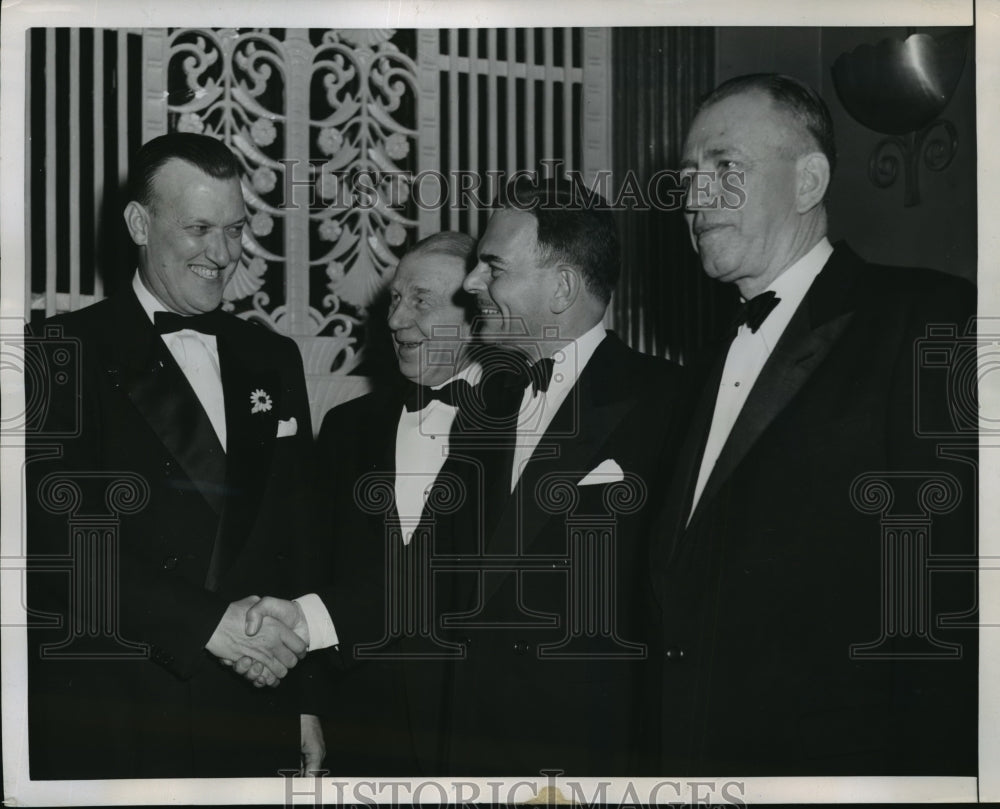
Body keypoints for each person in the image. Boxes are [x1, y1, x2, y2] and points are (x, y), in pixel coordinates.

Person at [649, 73, 977, 775]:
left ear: (808, 182)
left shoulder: (926, 317)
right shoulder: (703, 364)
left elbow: (947, 601)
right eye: (686, 178)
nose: (695, 198)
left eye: (725, 168)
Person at [25, 132, 323, 778]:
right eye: (199, 228)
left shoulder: (273, 357)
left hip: (256, 707)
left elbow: (296, 539)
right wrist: (204, 622)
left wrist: (305, 702)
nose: (223, 254)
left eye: (236, 229)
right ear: (139, 223)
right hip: (122, 713)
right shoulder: (59, 350)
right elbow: (53, 541)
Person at [445, 178, 684, 775]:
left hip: (591, 761)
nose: (470, 284)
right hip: (473, 754)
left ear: (562, 287)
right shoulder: (482, 412)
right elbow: (427, 570)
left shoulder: (673, 403)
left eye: (492, 267)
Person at [240, 232, 487, 775]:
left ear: (478, 312)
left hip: (480, 734)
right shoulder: (345, 430)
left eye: (420, 300)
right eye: (395, 300)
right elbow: (310, 566)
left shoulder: (523, 426)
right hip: (362, 735)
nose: (397, 320)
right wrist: (305, 708)